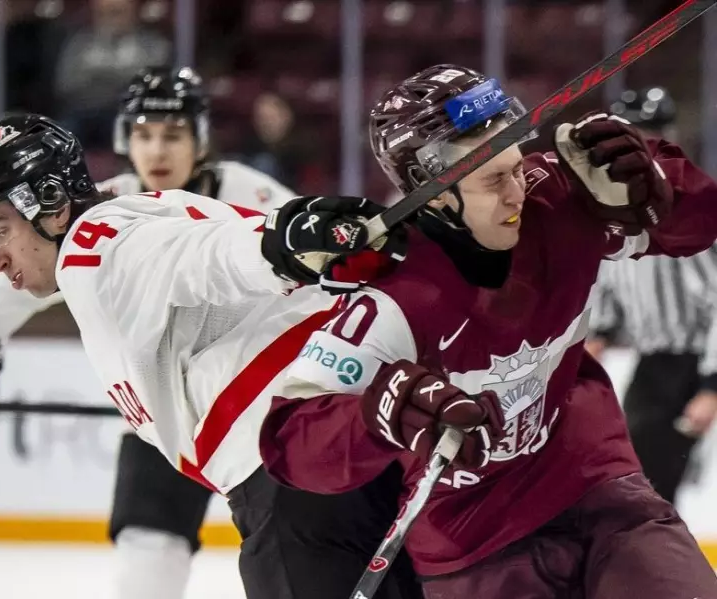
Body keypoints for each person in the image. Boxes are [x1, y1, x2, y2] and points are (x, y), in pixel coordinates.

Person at [0, 100, 421, 599]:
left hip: (291, 476)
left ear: (50, 202)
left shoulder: (93, 248)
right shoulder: (123, 217)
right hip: (329, 448)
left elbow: (200, 257)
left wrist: (279, 244)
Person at [258, 64, 717, 598]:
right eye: (492, 180)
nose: (516, 192)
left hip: (598, 492)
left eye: (516, 167)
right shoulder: (394, 296)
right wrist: (378, 414)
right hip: (474, 545)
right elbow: (291, 443)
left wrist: (656, 188)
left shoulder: (561, 201)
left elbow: (698, 226)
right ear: (432, 192)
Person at [585, 86, 717, 505]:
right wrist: (601, 332)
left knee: (652, 487)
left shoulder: (685, 210)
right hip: (654, 363)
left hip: (690, 365)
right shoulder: (613, 208)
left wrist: (712, 386)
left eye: (649, 134)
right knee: (635, 478)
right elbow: (611, 283)